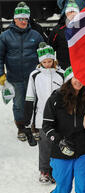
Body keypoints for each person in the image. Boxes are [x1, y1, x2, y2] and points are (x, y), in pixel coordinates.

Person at [42, 66, 85, 193]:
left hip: (82, 150)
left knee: (84, 185)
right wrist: (58, 140)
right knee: (64, 187)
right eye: (75, 77)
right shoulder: (56, 99)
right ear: (69, 79)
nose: (78, 81)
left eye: (81, 78)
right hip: (61, 150)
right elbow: (46, 126)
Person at [0, 2, 44, 141]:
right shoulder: (5, 36)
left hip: (33, 78)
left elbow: (43, 55)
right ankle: (21, 127)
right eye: (21, 19)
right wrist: (1, 74)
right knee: (18, 104)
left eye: (26, 19)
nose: (24, 21)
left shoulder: (36, 35)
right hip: (15, 77)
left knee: (35, 102)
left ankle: (34, 126)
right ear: (14, 19)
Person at [24, 42, 64, 183]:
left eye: (50, 61)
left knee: (58, 143)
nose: (47, 64)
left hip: (59, 117)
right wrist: (28, 121)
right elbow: (30, 97)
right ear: (40, 62)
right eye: (44, 62)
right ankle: (45, 171)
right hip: (42, 117)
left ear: (54, 60)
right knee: (45, 144)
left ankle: (58, 171)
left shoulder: (62, 74)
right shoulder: (35, 75)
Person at [49, 0, 80, 70]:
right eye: (70, 12)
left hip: (81, 67)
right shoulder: (57, 30)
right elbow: (50, 48)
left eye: (74, 12)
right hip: (64, 68)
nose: (72, 14)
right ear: (66, 13)